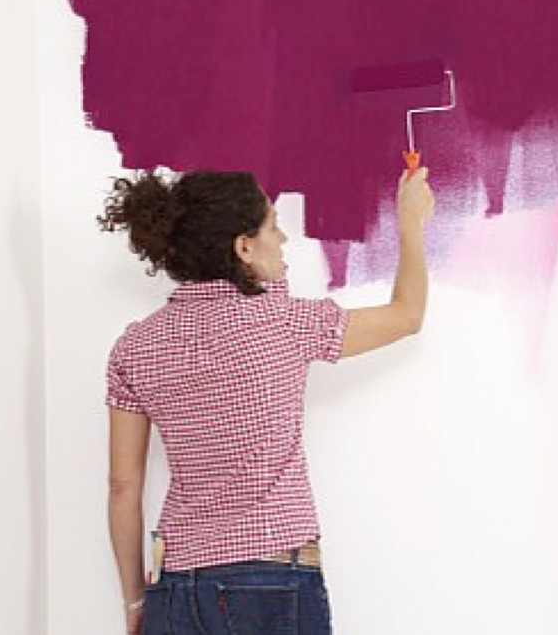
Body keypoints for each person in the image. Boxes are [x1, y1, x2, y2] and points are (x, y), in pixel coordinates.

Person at [98, 165, 434, 635]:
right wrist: (410, 224)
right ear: (243, 247)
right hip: (272, 582)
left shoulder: (135, 347)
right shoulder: (285, 323)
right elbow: (407, 315)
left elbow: (122, 486)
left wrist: (137, 600)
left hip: (176, 588)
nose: (285, 239)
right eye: (273, 225)